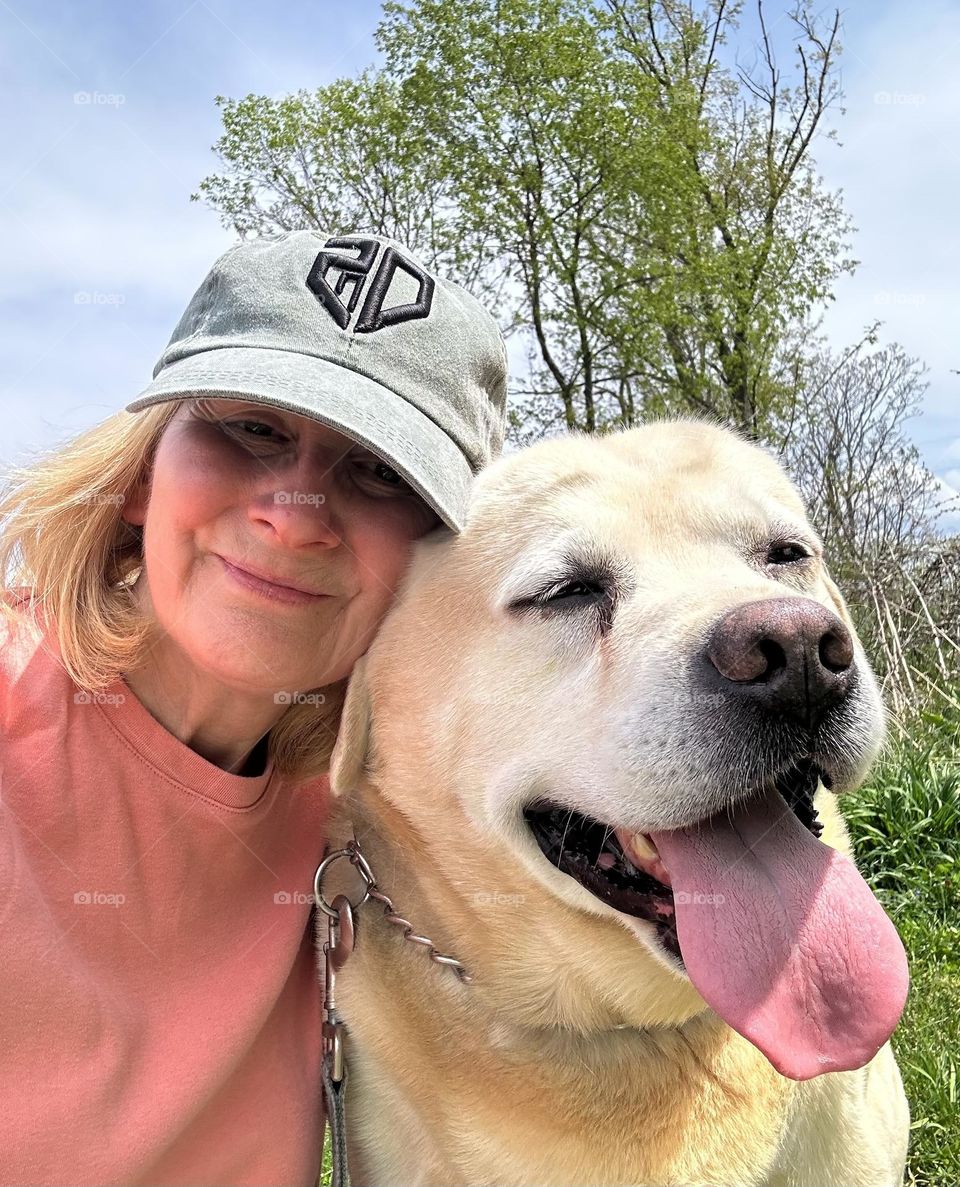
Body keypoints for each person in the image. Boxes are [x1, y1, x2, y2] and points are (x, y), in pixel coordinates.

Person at [0, 230, 508, 1186]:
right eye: (254, 428)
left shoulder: (384, 823)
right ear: (147, 471)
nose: (295, 510)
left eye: (380, 473)